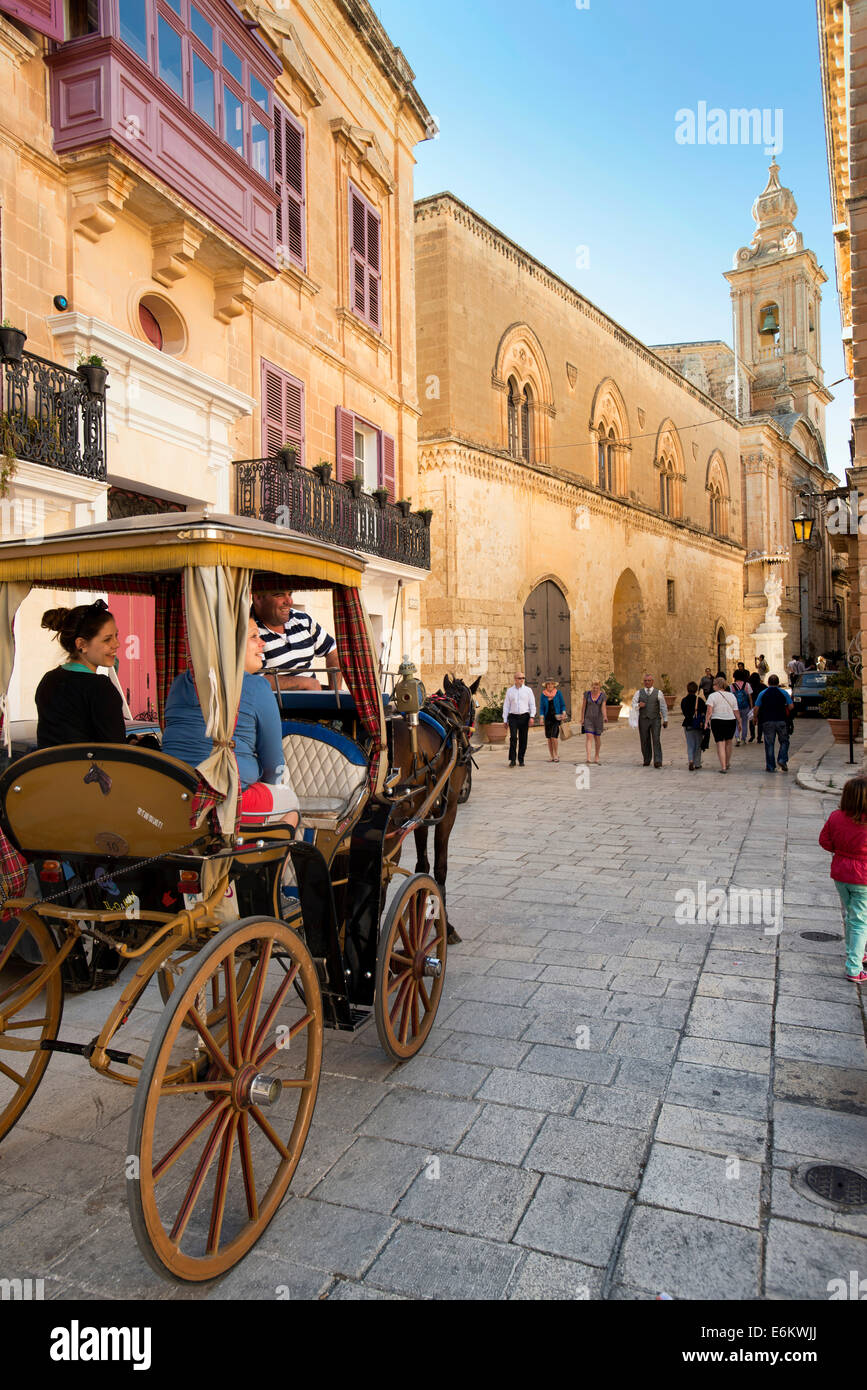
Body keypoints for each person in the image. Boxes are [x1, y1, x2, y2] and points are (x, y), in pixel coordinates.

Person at [162, 617, 300, 827]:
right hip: (225, 800)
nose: (263, 643)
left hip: (173, 795)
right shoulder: (256, 687)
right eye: (254, 636)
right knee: (291, 803)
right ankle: (263, 858)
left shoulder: (181, 682)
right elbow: (273, 763)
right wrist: (273, 787)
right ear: (230, 645)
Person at [35, 600, 126, 748]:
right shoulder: (100, 688)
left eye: (116, 636)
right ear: (81, 644)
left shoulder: (49, 680)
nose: (116, 644)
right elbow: (116, 750)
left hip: (48, 769)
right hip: (87, 769)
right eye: (107, 639)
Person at [819, 776, 867, 982]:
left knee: (852, 916)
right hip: (863, 877)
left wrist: (840, 850)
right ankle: (854, 968)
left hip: (841, 874)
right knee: (859, 920)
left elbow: (824, 841)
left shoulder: (836, 817)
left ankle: (856, 950)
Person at [252, 588, 341, 691]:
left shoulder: (301, 619)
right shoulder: (248, 631)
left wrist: (335, 691)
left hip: (316, 699)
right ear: (258, 598)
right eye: (279, 595)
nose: (289, 602)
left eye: (290, 594)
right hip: (277, 705)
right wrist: (306, 683)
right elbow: (252, 680)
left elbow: (332, 651)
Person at [754, 673, 794, 774]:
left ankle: (771, 766)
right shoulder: (783, 693)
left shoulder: (763, 693)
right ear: (778, 683)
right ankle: (782, 759)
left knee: (769, 744)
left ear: (768, 683)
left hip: (767, 721)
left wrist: (755, 718)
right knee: (784, 741)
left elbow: (756, 708)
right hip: (781, 720)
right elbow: (791, 707)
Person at [631, 674, 668, 767]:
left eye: (649, 680)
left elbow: (663, 706)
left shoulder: (658, 692)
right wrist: (638, 705)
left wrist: (665, 719)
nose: (647, 682)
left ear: (652, 681)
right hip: (643, 719)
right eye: (645, 681)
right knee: (644, 739)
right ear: (643, 682)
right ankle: (647, 759)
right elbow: (633, 704)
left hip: (655, 719)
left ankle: (658, 760)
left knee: (656, 739)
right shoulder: (638, 692)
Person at [704, 676, 738, 773]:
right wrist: (739, 722)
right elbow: (736, 711)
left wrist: (706, 722)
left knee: (720, 743)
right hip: (731, 720)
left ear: (717, 685)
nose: (713, 686)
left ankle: (723, 767)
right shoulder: (732, 696)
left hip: (717, 720)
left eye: (714, 684)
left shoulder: (712, 696)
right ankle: (727, 763)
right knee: (728, 742)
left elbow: (709, 711)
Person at [503, 672, 536, 767]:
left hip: (524, 717)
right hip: (513, 717)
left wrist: (532, 716)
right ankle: (512, 759)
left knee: (523, 739)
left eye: (523, 678)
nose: (522, 679)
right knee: (513, 737)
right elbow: (506, 706)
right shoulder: (510, 691)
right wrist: (505, 720)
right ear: (515, 679)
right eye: (520, 678)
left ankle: (521, 759)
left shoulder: (528, 690)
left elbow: (532, 704)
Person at [681, 681, 707, 770]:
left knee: (690, 744)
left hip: (687, 724)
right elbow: (704, 712)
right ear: (696, 690)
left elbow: (684, 711)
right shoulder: (699, 700)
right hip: (697, 725)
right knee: (698, 744)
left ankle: (691, 761)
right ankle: (697, 763)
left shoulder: (684, 700)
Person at [539, 679, 566, 763]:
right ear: (546, 686)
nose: (550, 686)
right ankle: (551, 756)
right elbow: (541, 707)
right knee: (549, 738)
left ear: (554, 685)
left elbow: (563, 704)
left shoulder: (558, 693)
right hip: (547, 718)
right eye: (548, 684)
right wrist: (541, 717)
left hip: (556, 718)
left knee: (554, 737)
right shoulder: (543, 695)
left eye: (551, 684)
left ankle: (556, 754)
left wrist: (564, 712)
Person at [580, 680, 606, 764]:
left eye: (597, 688)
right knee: (589, 737)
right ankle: (588, 757)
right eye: (593, 687)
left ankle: (597, 755)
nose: (595, 689)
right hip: (588, 719)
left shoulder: (602, 696)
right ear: (591, 687)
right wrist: (582, 718)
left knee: (597, 738)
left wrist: (605, 716)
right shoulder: (587, 694)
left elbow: (603, 707)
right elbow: (583, 707)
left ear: (599, 688)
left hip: (598, 719)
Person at [730, 671, 754, 746]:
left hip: (735, 707)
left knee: (736, 723)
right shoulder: (747, 685)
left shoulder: (732, 686)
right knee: (744, 723)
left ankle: (737, 738)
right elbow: (750, 697)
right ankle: (743, 738)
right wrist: (751, 706)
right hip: (745, 706)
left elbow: (731, 697)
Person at [747, 671, 766, 744]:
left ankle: (752, 736)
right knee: (760, 722)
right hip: (761, 706)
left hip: (751, 706)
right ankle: (759, 737)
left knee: (751, 720)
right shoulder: (763, 686)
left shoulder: (749, 686)